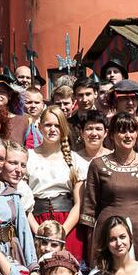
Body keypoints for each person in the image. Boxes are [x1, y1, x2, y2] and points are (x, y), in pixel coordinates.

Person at [80, 113, 138, 272]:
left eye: (132, 131)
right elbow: (89, 209)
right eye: (122, 131)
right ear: (111, 135)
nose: (127, 135)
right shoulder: (98, 165)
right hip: (109, 234)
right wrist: (92, 247)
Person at [27, 107, 85, 262]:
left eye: (57, 125)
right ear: (39, 127)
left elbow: (79, 204)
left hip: (67, 224)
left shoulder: (74, 159)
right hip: (37, 223)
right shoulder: (28, 157)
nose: (52, 129)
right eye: (48, 125)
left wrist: (62, 232)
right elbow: (22, 201)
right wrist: (38, 231)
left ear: (64, 128)